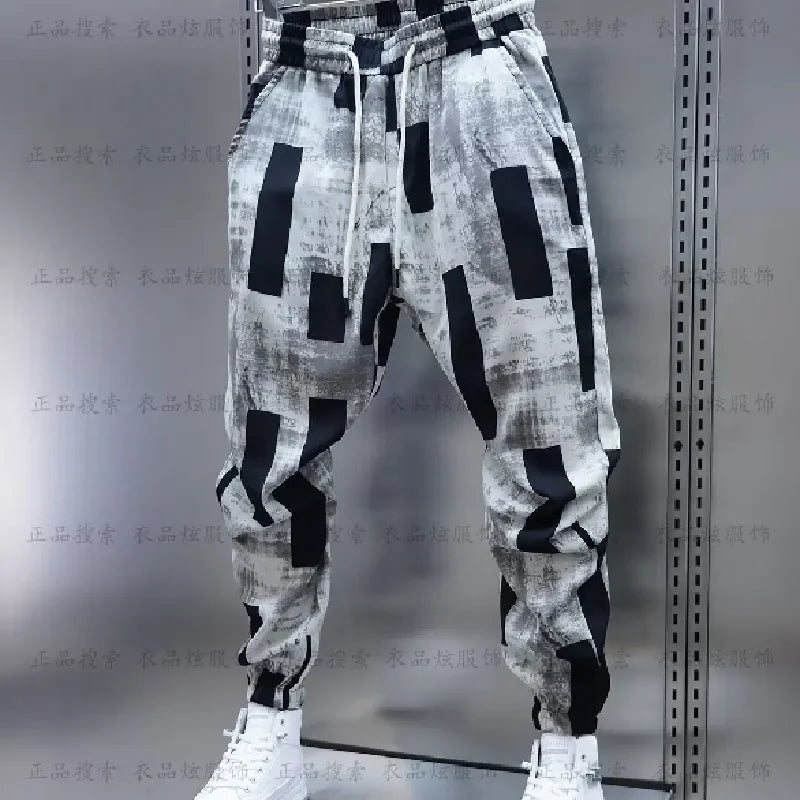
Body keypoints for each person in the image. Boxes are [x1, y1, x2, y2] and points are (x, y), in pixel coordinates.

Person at [198, 0, 621, 797]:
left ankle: (569, 748)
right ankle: (270, 721)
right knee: (268, 445)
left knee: (549, 435)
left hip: (476, 69)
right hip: (308, 78)